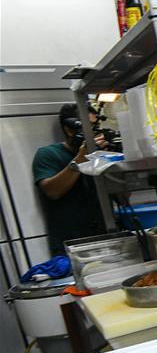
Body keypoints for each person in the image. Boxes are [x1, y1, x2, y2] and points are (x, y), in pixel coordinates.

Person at [32, 104, 107, 255]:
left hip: (106, 238)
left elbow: (123, 199)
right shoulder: (48, 154)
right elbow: (53, 191)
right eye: (90, 127)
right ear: (69, 129)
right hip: (72, 246)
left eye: (96, 126)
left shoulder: (100, 155)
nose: (96, 132)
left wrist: (109, 161)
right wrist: (81, 158)